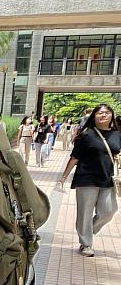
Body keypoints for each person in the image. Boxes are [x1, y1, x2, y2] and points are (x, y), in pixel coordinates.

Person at [57, 104, 120, 257]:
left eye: (107, 112)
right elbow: (75, 157)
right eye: (100, 113)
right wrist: (63, 177)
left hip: (107, 178)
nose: (103, 115)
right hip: (86, 177)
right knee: (85, 213)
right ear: (94, 117)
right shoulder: (87, 134)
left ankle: (87, 231)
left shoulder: (117, 134)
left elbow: (115, 152)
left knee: (109, 211)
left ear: (111, 115)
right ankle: (86, 244)